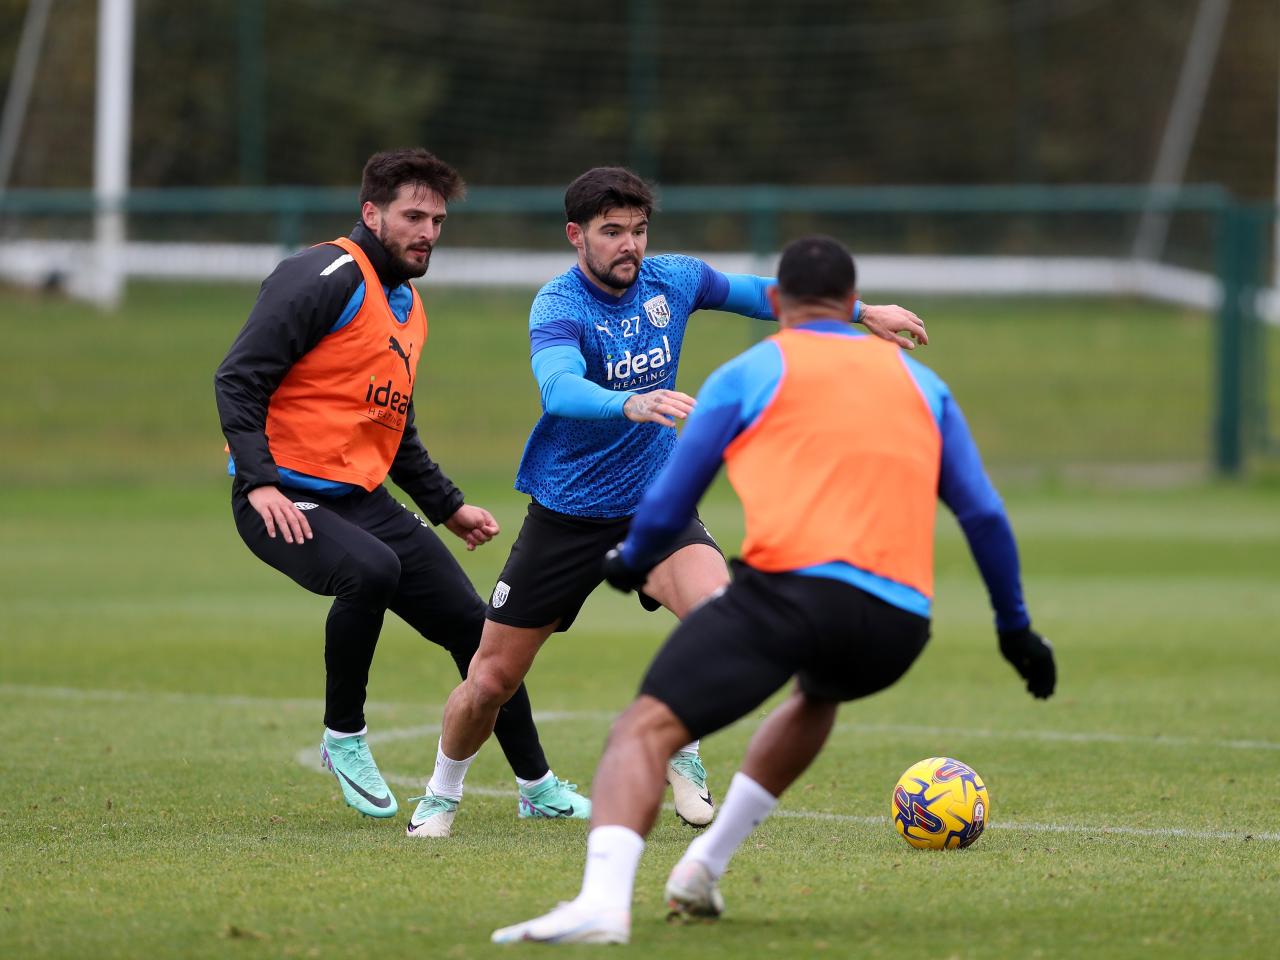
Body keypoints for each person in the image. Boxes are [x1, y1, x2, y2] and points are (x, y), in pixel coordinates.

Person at [490, 235, 1056, 944]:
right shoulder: (924, 385)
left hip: (788, 598)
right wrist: (1016, 629)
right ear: (853, 306)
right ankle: (703, 868)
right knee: (818, 694)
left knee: (642, 728)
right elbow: (982, 512)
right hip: (899, 623)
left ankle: (603, 902)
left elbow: (673, 495)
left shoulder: (752, 370)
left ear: (779, 304)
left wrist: (631, 560)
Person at [406, 168, 929, 839]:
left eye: (639, 230)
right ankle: (442, 795)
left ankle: (682, 747)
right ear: (576, 236)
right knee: (490, 682)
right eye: (612, 232)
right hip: (565, 515)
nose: (630, 245)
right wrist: (627, 402)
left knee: (721, 620)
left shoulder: (673, 280)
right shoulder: (559, 305)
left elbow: (763, 295)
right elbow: (558, 387)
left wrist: (862, 311)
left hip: (656, 509)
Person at [214, 147, 589, 826]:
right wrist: (260, 482)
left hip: (361, 499)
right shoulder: (322, 274)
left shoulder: (408, 306)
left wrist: (448, 507)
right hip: (281, 495)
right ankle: (343, 737)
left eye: (437, 220)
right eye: (413, 215)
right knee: (371, 570)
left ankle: (537, 788)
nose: (427, 232)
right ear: (371, 213)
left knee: (481, 634)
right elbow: (238, 377)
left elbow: (392, 425)